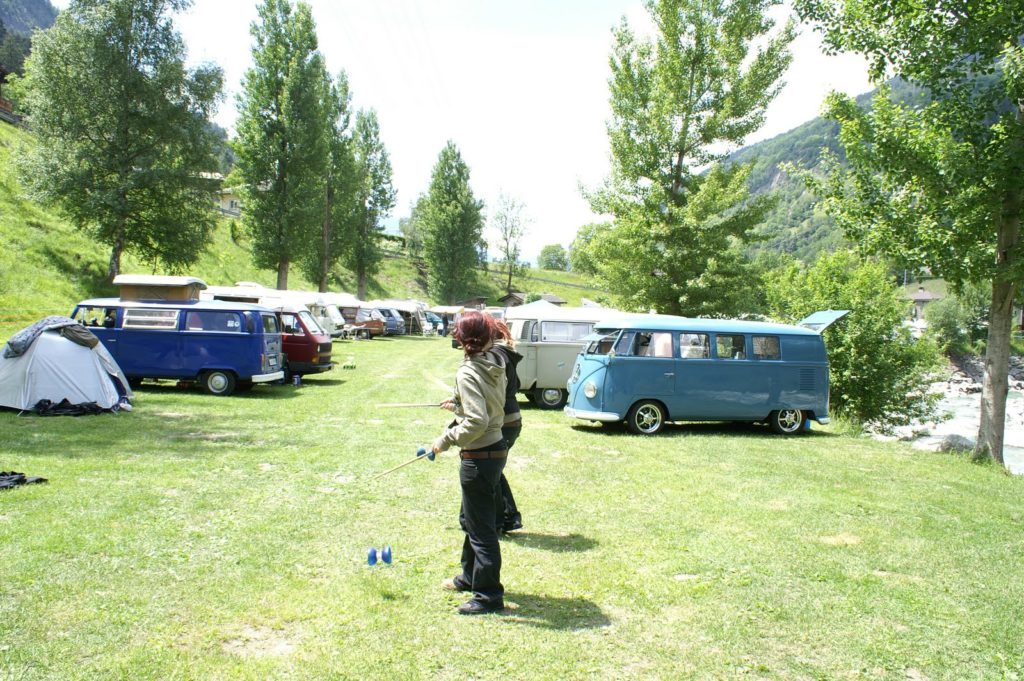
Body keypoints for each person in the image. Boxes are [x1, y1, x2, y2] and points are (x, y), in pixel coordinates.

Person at [433, 311, 508, 615]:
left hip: (479, 457)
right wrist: (458, 404)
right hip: (495, 450)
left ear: (461, 338)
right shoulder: (495, 362)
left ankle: (488, 596)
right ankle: (469, 576)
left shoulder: (468, 371)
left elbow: (478, 421)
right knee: (473, 520)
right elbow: (487, 404)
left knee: (481, 530)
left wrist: (446, 439)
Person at [492, 320, 523, 533]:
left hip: (503, 421)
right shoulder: (503, 353)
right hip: (511, 420)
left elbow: (494, 394)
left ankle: (506, 518)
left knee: (488, 471)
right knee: (491, 471)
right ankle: (508, 517)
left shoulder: (495, 355)